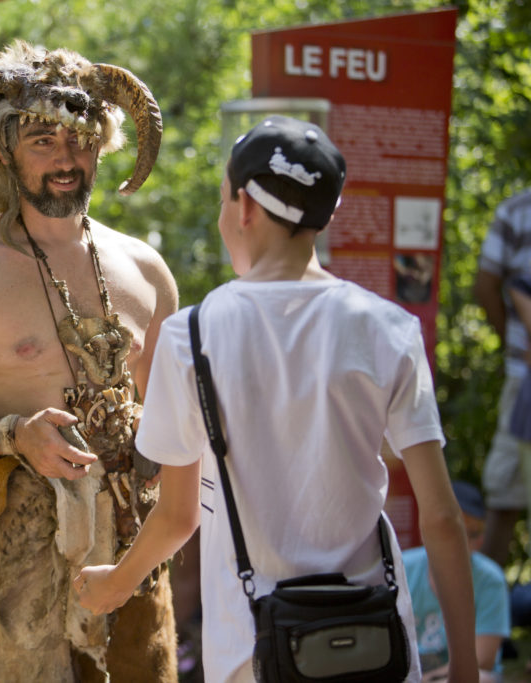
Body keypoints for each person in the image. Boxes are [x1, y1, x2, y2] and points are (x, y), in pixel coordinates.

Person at [75, 115, 478, 682]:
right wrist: (464, 669)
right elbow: (441, 518)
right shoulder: (388, 328)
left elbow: (177, 515)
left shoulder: (192, 338)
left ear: (243, 208)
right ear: (324, 217)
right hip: (374, 646)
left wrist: (115, 583)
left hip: (254, 653)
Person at [0, 41, 179, 682]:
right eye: (42, 141)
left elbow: (169, 420)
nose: (64, 159)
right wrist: (12, 435)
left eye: (79, 140)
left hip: (129, 566)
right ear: (7, 151)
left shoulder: (146, 270)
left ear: (101, 146)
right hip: (1, 572)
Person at [473, 189, 530, 567]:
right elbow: (489, 285)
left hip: (522, 375)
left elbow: (487, 285)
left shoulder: (517, 209)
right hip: (524, 378)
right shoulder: (517, 210)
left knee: (504, 495)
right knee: (504, 494)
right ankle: (489, 616)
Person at [403, 481, 509, 682]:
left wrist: (430, 678)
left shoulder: (490, 579)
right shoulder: (402, 566)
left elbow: (483, 660)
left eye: (474, 533)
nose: (463, 542)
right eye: (455, 531)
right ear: (426, 531)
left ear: (482, 538)